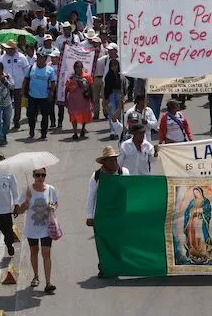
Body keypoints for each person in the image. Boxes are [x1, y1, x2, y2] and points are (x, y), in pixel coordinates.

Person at [85, 146, 129, 277]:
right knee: (103, 242)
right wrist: (89, 216)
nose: (114, 163)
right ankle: (104, 267)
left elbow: (130, 192)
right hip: (102, 214)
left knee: (118, 241)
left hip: (120, 213)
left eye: (115, 160)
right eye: (111, 160)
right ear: (104, 162)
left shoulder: (124, 172)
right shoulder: (96, 176)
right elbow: (91, 196)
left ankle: (117, 265)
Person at [18, 167, 58, 294]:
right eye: (38, 175)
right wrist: (27, 201)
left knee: (46, 253)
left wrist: (53, 207)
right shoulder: (27, 190)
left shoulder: (50, 189)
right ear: (33, 176)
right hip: (32, 228)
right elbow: (19, 211)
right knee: (34, 251)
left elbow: (55, 203)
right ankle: (35, 276)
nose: (40, 178)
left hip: (47, 228)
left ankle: (48, 283)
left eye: (43, 175)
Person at [24, 48, 57, 140]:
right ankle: (31, 130)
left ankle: (43, 132)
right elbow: (26, 80)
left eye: (43, 57)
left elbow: (53, 82)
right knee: (31, 115)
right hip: (32, 96)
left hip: (44, 97)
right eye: (39, 57)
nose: (40, 59)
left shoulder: (50, 70)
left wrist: (51, 93)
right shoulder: (31, 68)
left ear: (46, 58)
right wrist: (23, 93)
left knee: (45, 116)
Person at [0, 41, 30, 132]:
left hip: (19, 85)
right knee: (6, 104)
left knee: (18, 104)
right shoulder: (2, 58)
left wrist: (26, 83)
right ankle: (6, 121)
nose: (8, 50)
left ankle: (16, 120)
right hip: (6, 85)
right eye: (7, 49)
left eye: (10, 49)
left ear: (14, 49)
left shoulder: (22, 57)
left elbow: (27, 70)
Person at [65, 60, 94, 140]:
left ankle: (82, 129)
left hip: (84, 100)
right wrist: (65, 100)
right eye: (77, 67)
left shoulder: (87, 77)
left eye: (81, 67)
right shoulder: (71, 78)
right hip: (73, 101)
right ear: (74, 68)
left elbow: (91, 88)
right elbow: (66, 89)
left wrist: (92, 100)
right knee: (73, 116)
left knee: (84, 114)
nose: (79, 69)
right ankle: (75, 132)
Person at [103, 58, 126, 140]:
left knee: (119, 112)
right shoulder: (108, 76)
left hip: (120, 94)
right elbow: (106, 89)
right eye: (112, 65)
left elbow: (124, 86)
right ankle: (112, 131)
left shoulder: (121, 75)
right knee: (112, 112)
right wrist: (106, 99)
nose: (114, 67)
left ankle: (118, 129)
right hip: (111, 95)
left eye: (115, 65)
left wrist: (124, 95)